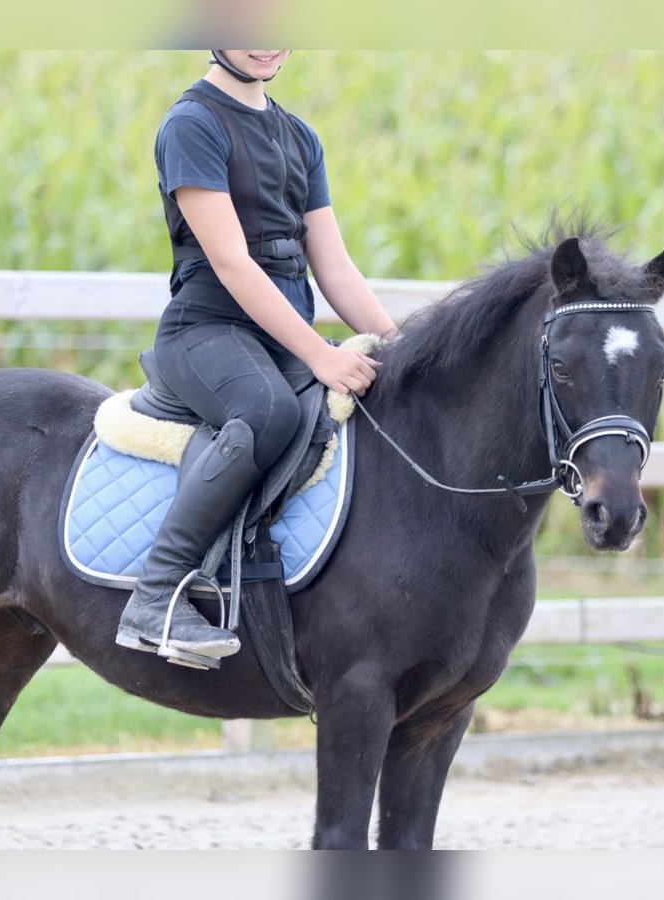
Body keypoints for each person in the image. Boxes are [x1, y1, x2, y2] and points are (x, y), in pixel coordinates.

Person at [116, 50, 397, 664]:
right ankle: (156, 594)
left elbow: (335, 266)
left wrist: (397, 343)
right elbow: (232, 262)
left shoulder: (300, 138)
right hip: (206, 330)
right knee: (268, 411)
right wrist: (320, 353)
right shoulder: (192, 124)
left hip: (278, 337)